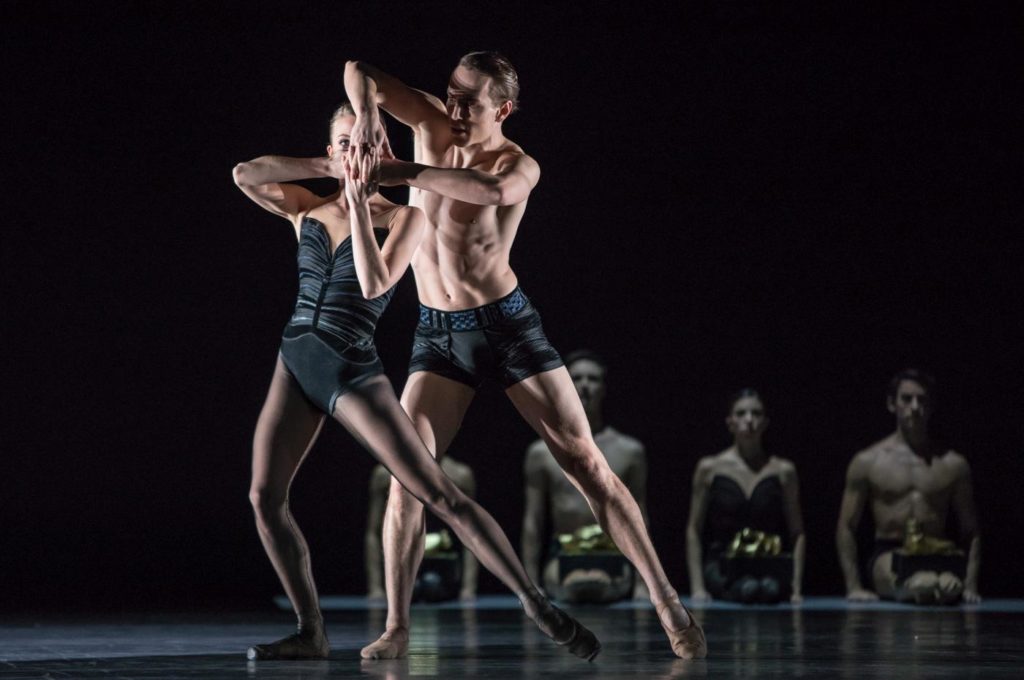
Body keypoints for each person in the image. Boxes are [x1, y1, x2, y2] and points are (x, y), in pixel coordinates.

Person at [344, 52, 705, 660]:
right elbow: (360, 70)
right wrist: (365, 120)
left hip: (507, 327)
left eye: (471, 103)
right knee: (407, 478)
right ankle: (398, 626)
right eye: (452, 93)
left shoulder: (518, 164)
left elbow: (488, 190)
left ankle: (667, 600)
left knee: (586, 463)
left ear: (503, 110)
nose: (455, 109)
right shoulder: (430, 124)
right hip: (438, 333)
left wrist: (400, 170)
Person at [232, 103, 600, 661]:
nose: (359, 153)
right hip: (296, 362)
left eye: (369, 144)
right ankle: (312, 631)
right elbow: (245, 173)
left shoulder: (406, 218)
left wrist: (359, 203)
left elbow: (376, 282)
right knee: (264, 496)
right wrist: (330, 170)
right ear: (333, 151)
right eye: (346, 144)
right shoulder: (304, 208)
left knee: (436, 493)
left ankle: (535, 602)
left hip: (352, 369)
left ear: (385, 152)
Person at [836, 370, 981, 604]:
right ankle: (921, 583)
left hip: (937, 553)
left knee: (945, 587)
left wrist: (971, 584)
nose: (914, 406)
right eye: (906, 399)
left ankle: (935, 582)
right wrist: (853, 586)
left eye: (922, 400)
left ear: (931, 406)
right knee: (921, 584)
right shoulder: (868, 461)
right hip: (889, 553)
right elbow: (847, 526)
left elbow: (970, 529)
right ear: (892, 404)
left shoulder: (954, 464)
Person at [521, 350, 650, 603]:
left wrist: (644, 583)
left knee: (593, 585)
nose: (585, 386)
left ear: (604, 387)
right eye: (576, 378)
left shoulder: (630, 452)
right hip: (564, 555)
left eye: (593, 379)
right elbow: (533, 521)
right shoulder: (541, 452)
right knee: (580, 585)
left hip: (612, 555)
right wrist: (531, 582)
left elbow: (639, 518)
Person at [685, 390, 805, 604]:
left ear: (765, 422)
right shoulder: (710, 468)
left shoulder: (783, 471)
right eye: (741, 413)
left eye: (756, 413)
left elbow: (797, 532)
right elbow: (694, 529)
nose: (749, 420)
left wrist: (796, 586)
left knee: (769, 589)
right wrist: (697, 587)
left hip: (767, 563)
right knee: (748, 589)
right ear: (730, 422)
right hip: (725, 564)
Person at [366, 458, 478, 602]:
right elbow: (374, 533)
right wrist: (376, 589)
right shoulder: (384, 475)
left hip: (443, 566)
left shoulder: (459, 477)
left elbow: (471, 534)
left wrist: (468, 590)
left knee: (432, 586)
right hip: (402, 568)